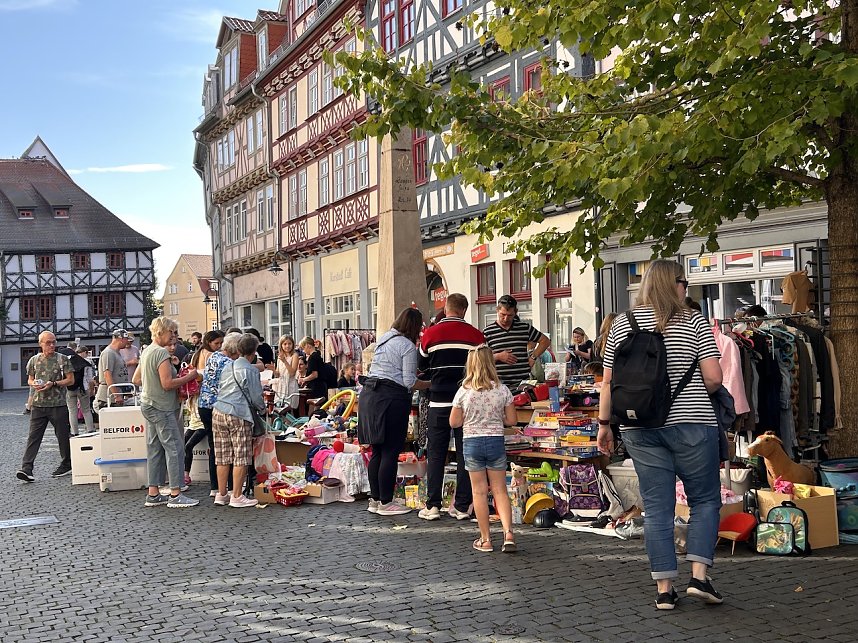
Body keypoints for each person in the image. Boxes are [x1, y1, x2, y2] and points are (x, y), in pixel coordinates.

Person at [596, 259, 724, 610]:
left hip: (640, 427)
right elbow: (714, 378)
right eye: (683, 281)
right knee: (704, 500)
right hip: (691, 424)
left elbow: (607, 382)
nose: (686, 287)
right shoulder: (694, 320)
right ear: (675, 284)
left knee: (656, 509)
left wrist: (605, 426)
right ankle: (699, 575)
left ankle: (665, 589)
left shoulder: (623, 322)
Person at [418, 293, 485, 521]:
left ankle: (433, 505)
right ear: (464, 310)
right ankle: (462, 505)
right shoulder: (476, 336)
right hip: (467, 402)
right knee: (466, 454)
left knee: (436, 453)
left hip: (438, 402)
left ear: (446, 309)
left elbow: (421, 364)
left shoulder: (430, 334)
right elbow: (483, 367)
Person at [449, 345, 517, 553]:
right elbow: (512, 420)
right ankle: (508, 534)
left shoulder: (464, 391)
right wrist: (499, 417)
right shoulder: (502, 389)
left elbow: (454, 422)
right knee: (499, 490)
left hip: (472, 442)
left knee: (478, 491)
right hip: (495, 440)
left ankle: (485, 539)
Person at [361, 308, 424, 517]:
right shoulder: (406, 345)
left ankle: (376, 499)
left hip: (370, 395)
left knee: (377, 450)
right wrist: (430, 383)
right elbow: (409, 381)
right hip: (391, 399)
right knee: (390, 451)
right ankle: (387, 502)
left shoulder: (384, 339)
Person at [139, 317, 199, 508]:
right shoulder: (160, 354)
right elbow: (167, 384)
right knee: (175, 448)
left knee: (155, 448)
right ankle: (175, 493)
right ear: (161, 332)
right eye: (171, 332)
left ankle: (154, 493)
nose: (174, 336)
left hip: (149, 404)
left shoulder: (147, 351)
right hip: (162, 407)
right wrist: (191, 376)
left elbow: (136, 378)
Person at [211, 333, 262, 508]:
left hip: (218, 411)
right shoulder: (251, 370)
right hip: (238, 413)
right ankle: (237, 496)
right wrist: (262, 408)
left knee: (222, 456)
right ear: (253, 352)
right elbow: (256, 398)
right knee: (241, 455)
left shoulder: (227, 367)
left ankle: (222, 494)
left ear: (238, 350)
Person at [16, 331, 75, 482]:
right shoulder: (34, 360)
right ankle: (26, 469)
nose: (52, 345)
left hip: (58, 404)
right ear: (40, 344)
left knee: (62, 436)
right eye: (48, 342)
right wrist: (34, 384)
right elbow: (30, 379)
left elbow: (70, 380)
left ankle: (67, 463)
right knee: (33, 437)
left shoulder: (62, 359)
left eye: (54, 342)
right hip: (38, 404)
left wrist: (54, 383)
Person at [198, 331, 241, 497]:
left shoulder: (213, 357)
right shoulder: (229, 362)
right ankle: (230, 487)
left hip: (204, 405)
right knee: (226, 448)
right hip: (218, 407)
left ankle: (215, 487)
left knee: (214, 447)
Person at [183, 330, 225, 489]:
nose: (219, 346)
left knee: (188, 441)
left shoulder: (197, 353)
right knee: (211, 445)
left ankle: (185, 474)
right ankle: (215, 485)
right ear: (209, 342)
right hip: (207, 400)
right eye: (217, 343)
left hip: (196, 400)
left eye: (221, 343)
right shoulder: (210, 356)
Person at [484, 294, 551, 389]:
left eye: (510, 315)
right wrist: (498, 356)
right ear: (497, 310)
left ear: (515, 312)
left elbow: (545, 341)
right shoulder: (487, 332)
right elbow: (481, 358)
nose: (506, 319)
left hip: (522, 384)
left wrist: (533, 357)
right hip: (498, 385)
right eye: (502, 315)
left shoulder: (524, 328)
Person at [95, 329, 134, 410]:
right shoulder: (109, 353)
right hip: (108, 399)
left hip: (115, 396)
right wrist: (116, 395)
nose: (127, 342)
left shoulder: (116, 352)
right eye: (126, 339)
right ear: (121, 339)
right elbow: (107, 374)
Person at [66, 345, 96, 435]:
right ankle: (90, 430)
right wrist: (91, 390)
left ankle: (74, 432)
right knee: (86, 410)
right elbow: (90, 379)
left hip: (70, 388)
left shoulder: (69, 361)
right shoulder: (87, 362)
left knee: (72, 411)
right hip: (84, 388)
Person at [272, 335, 300, 410]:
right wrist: (273, 370)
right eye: (285, 344)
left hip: (290, 385)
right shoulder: (279, 357)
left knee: (290, 408)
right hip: (281, 386)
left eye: (289, 344)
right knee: (279, 407)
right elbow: (278, 374)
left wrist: (284, 361)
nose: (287, 346)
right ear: (281, 345)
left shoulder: (295, 356)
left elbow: (292, 373)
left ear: (292, 344)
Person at [298, 337, 327, 402]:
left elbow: (314, 375)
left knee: (313, 406)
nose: (303, 351)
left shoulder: (312, 357)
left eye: (303, 348)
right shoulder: (318, 355)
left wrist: (303, 379)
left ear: (307, 345)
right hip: (322, 386)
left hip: (316, 387)